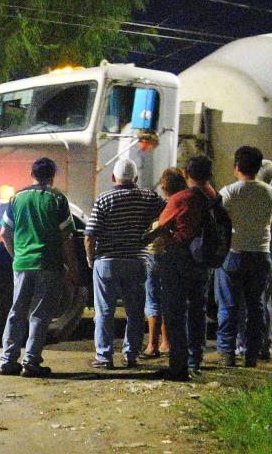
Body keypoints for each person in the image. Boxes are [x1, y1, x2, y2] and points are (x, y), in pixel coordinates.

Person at [0, 157, 79, 378]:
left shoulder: (16, 198)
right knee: (40, 314)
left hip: (23, 264)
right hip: (49, 263)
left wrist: (16, 255)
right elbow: (67, 236)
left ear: (32, 175)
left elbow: (4, 233)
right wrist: (71, 267)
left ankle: (7, 360)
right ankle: (31, 362)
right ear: (52, 176)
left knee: (17, 311)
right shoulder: (58, 199)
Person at [84, 157, 166, 369]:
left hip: (107, 262)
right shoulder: (148, 197)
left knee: (104, 312)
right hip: (136, 261)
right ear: (136, 178)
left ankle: (104, 356)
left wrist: (90, 258)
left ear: (113, 178)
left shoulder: (104, 199)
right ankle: (131, 355)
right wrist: (152, 234)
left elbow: (90, 235)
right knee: (135, 312)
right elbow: (168, 215)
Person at [143, 155, 218, 381]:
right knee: (198, 310)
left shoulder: (181, 198)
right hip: (203, 260)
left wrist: (143, 239)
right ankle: (196, 359)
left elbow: (161, 227)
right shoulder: (213, 196)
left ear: (187, 174)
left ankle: (178, 365)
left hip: (179, 258)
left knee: (175, 312)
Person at [214, 146, 272, 369]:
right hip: (261, 255)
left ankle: (227, 353)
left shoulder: (230, 192)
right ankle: (252, 354)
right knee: (256, 307)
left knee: (229, 307)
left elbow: (218, 222)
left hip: (235, 254)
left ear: (237, 167)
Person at [236, 159, 272, 362]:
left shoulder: (248, 194)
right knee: (263, 301)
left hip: (249, 250)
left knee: (245, 302)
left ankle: (244, 345)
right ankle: (264, 345)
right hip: (267, 252)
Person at [141, 168, 186, 359]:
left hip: (155, 254)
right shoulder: (184, 203)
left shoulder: (160, 205)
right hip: (175, 255)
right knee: (169, 298)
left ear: (163, 186)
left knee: (152, 299)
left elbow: (158, 229)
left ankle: (152, 345)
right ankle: (167, 342)